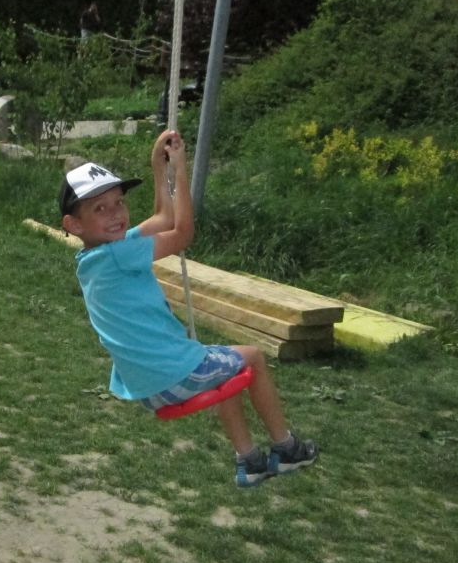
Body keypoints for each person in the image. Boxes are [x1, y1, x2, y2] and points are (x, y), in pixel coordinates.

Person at [60, 130, 318, 487]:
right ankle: (286, 448)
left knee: (225, 367)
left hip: (148, 384)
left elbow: (163, 218)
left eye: (118, 202)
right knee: (254, 357)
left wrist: (158, 166)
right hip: (172, 374)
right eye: (99, 209)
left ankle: (251, 461)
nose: (115, 214)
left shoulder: (96, 257)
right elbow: (182, 233)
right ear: (73, 224)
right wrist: (181, 169)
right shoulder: (119, 254)